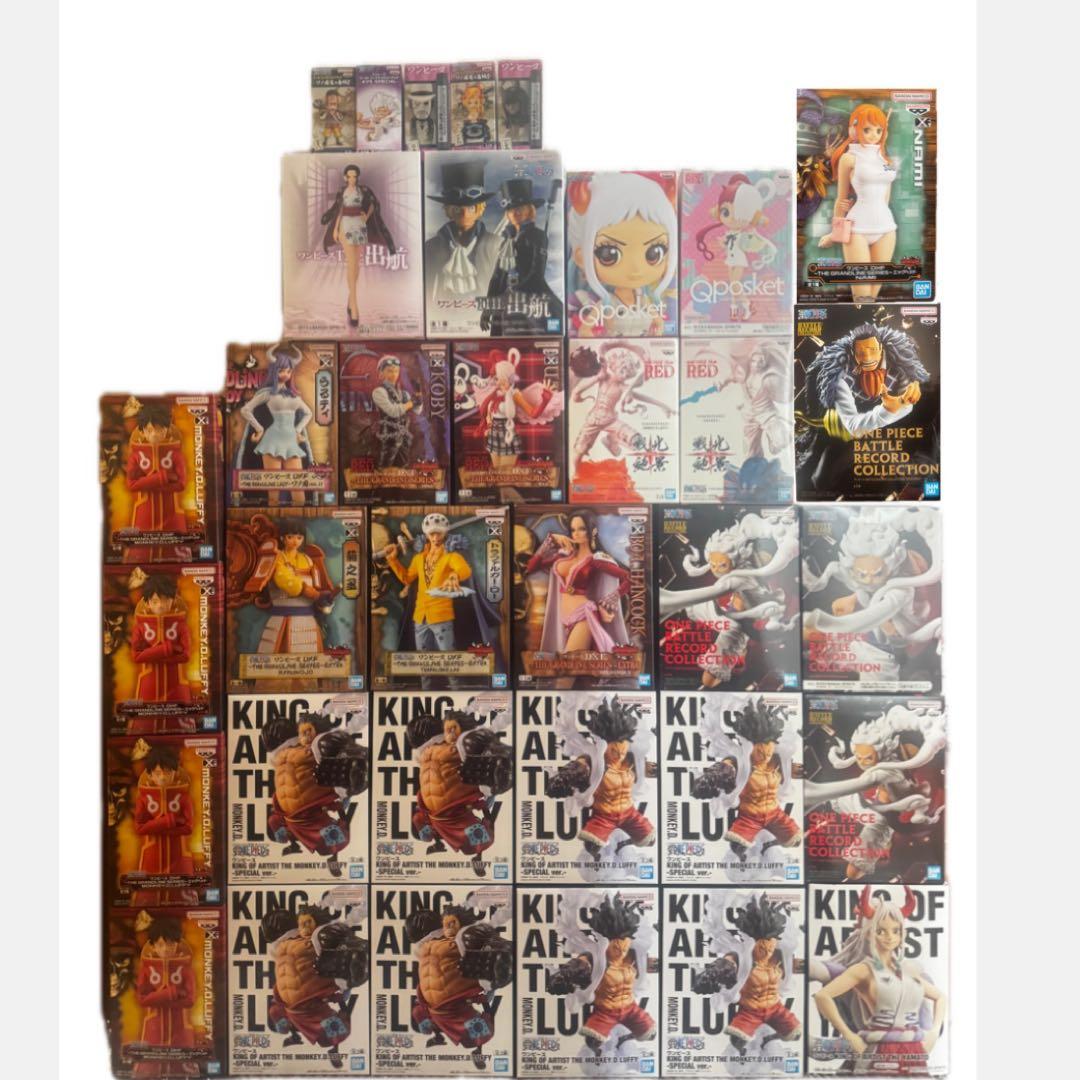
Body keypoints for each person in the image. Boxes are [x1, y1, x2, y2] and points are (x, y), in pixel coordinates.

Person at [811, 887, 947, 1073]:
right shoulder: (863, 969)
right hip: (879, 1051)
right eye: (881, 931)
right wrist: (850, 1036)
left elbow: (940, 997)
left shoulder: (909, 970)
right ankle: (836, 1047)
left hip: (913, 1051)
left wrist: (933, 1033)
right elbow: (822, 996)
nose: (890, 937)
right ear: (868, 933)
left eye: (896, 931)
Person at [321, 164, 397, 328]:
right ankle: (354, 306)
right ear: (345, 177)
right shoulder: (342, 191)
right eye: (349, 176)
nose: (352, 179)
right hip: (345, 227)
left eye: (355, 176)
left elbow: (374, 204)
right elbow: (339, 210)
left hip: (360, 227)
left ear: (357, 177)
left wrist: (366, 216)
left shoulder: (363, 190)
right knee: (351, 264)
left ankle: (350, 301)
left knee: (357, 266)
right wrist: (335, 229)